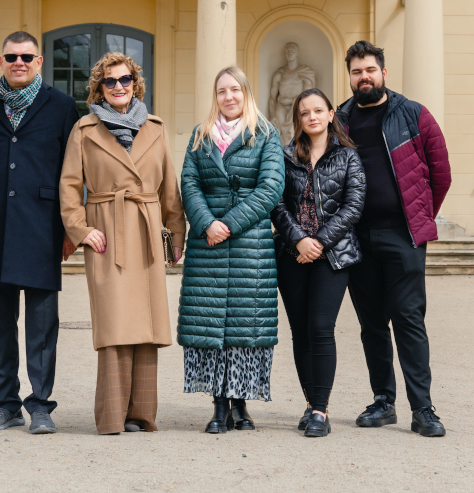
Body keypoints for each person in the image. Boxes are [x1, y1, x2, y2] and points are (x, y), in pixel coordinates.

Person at [60, 52, 186, 435]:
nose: (119, 86)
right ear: (99, 88)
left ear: (135, 84)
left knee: (147, 326)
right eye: (110, 81)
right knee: (115, 326)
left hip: (147, 232)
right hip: (107, 231)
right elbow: (69, 185)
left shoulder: (155, 127)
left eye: (125, 79)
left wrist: (176, 235)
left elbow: (169, 188)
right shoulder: (84, 129)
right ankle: (113, 417)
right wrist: (81, 230)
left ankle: (142, 415)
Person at [0, 30, 80, 435]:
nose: (19, 62)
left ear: (39, 62)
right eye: (11, 56)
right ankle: (6, 404)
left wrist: (70, 228)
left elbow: (74, 169)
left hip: (43, 225)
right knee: (0, 324)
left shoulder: (62, 106)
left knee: (42, 326)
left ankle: (41, 406)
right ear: (1, 61)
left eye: (26, 57)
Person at [336, 40, 451, 438]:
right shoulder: (340, 120)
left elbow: (441, 173)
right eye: (356, 72)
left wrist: (419, 216)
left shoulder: (414, 114)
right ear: (350, 77)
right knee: (371, 324)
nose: (363, 77)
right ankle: (383, 402)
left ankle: (423, 409)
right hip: (356, 237)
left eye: (370, 70)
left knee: (408, 319)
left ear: (383, 72)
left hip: (403, 235)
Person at [178, 66, 285, 434]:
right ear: (216, 96)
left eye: (235, 90)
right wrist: (207, 223)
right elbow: (189, 184)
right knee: (210, 325)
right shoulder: (200, 135)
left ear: (246, 93)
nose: (229, 97)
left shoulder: (266, 134)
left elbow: (271, 188)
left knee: (244, 324)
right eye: (222, 91)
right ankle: (218, 404)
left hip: (249, 245)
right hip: (207, 243)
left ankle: (240, 402)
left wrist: (229, 224)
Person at [273, 88, 365, 437]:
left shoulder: (348, 157)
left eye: (317, 110)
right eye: (304, 112)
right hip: (292, 255)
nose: (311, 117)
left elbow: (353, 206)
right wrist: (299, 239)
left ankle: (321, 411)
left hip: (333, 256)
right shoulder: (285, 156)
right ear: (298, 119)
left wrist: (319, 242)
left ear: (330, 115)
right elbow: (277, 204)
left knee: (321, 328)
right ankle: (311, 403)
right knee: (300, 332)